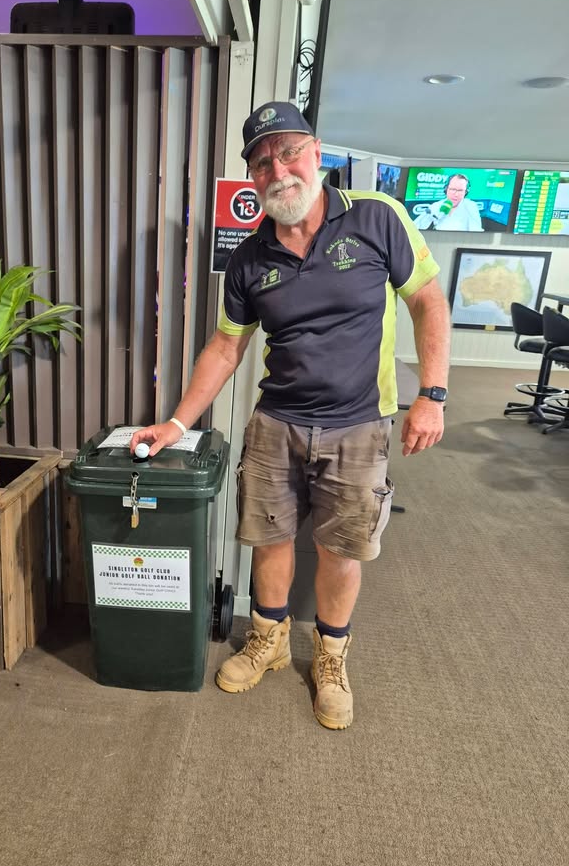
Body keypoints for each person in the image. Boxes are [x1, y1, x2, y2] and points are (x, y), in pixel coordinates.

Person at [130, 101, 450, 730]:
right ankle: (268, 641)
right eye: (262, 162)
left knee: (341, 549)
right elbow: (226, 348)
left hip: (358, 423)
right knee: (270, 539)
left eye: (289, 152)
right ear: (252, 177)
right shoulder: (250, 259)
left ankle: (330, 657)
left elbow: (428, 303)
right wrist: (176, 424)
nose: (279, 170)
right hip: (276, 423)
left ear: (316, 152)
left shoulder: (377, 218)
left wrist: (432, 395)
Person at [413, 173, 483, 231]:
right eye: (453, 189)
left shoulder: (471, 206)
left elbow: (476, 232)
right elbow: (414, 227)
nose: (456, 194)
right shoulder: (437, 206)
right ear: (446, 189)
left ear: (466, 192)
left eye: (460, 190)